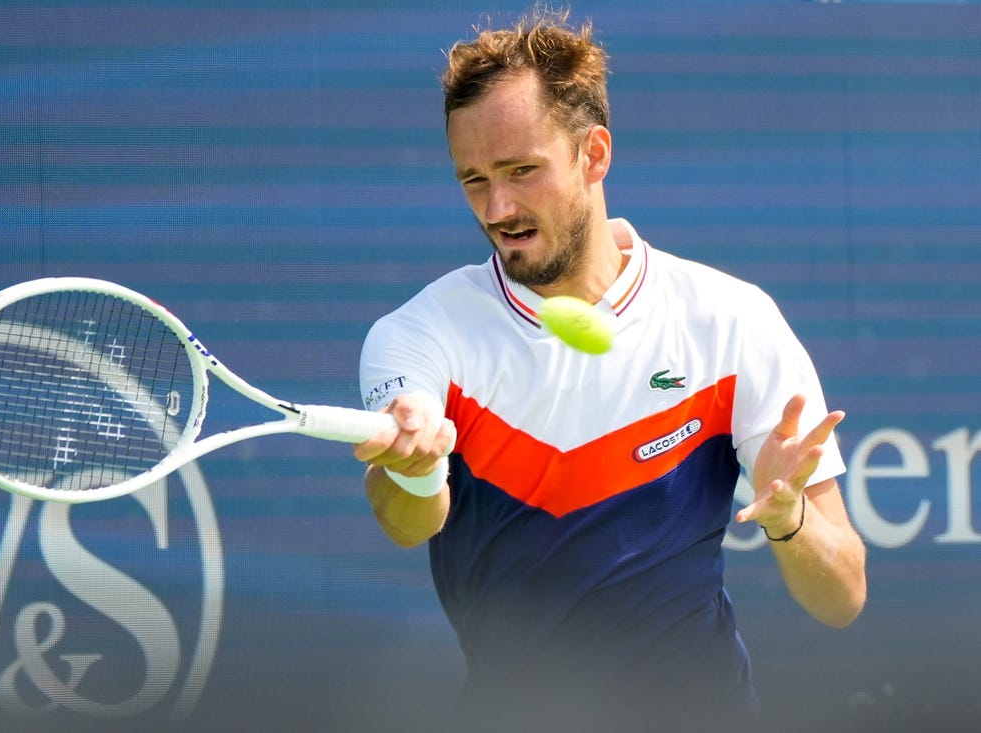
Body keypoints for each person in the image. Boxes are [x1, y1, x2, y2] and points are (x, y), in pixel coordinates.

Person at [353, 9, 866, 732]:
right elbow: (409, 523)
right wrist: (414, 467)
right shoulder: (420, 334)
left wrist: (791, 516)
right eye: (473, 179)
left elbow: (843, 593)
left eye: (521, 171)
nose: (496, 207)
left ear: (594, 156)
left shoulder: (731, 320)